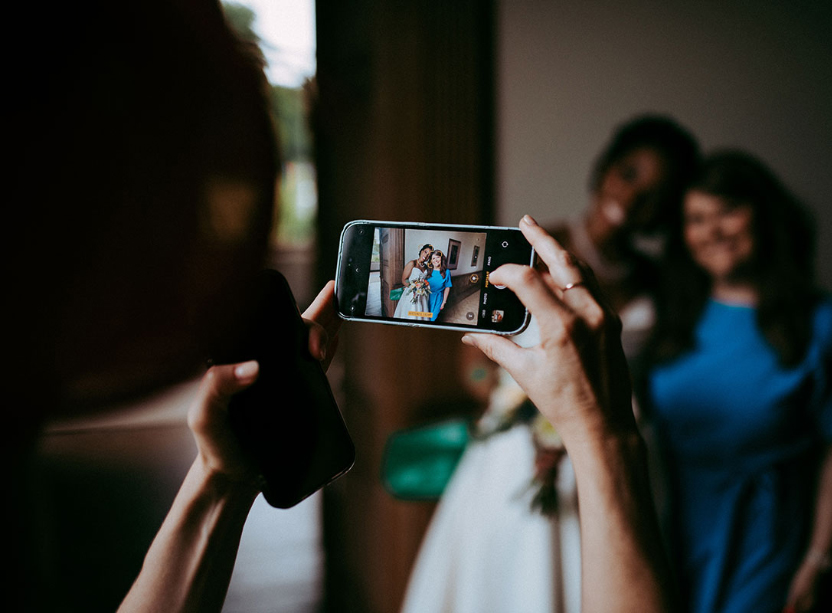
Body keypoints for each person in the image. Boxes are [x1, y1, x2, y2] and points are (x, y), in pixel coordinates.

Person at [9, 3, 676, 612]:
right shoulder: (546, 244)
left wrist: (220, 477)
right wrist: (599, 432)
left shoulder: (659, 281)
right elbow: (478, 370)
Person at [401, 115, 700, 613]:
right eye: (629, 174)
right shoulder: (529, 251)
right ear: (605, 168)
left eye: (658, 195)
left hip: (615, 457)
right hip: (518, 454)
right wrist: (530, 413)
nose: (632, 199)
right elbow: (472, 367)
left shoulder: (661, 285)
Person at [645, 151, 832, 613]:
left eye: (727, 211)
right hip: (671, 518)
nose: (712, 231)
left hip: (764, 534)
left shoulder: (824, 321)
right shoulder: (669, 314)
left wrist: (817, 558)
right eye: (696, 218)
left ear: (763, 215)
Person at [393, 244, 433, 320]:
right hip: (411, 293)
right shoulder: (412, 263)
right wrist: (414, 288)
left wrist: (423, 286)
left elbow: (424, 279)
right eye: (425, 252)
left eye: (429, 255)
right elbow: (403, 280)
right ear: (421, 251)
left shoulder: (425, 267)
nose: (426, 256)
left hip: (422, 295)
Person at [427, 249, 452, 321]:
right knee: (425, 317)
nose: (436, 260)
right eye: (433, 258)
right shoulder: (428, 271)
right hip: (426, 297)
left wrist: (444, 302)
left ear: (442, 258)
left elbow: (447, 287)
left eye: (437, 257)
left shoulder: (446, 272)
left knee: (433, 318)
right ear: (431, 261)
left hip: (438, 298)